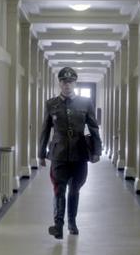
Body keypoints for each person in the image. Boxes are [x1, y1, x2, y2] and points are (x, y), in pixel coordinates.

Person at [38, 67, 103, 239]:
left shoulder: (85, 103)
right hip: (58, 153)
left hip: (80, 153)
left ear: (75, 83)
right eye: (64, 82)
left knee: (74, 189)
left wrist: (97, 151)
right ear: (59, 83)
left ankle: (72, 222)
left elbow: (93, 128)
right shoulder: (51, 104)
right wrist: (41, 153)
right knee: (59, 189)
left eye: (70, 82)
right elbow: (45, 130)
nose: (67, 85)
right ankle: (58, 225)